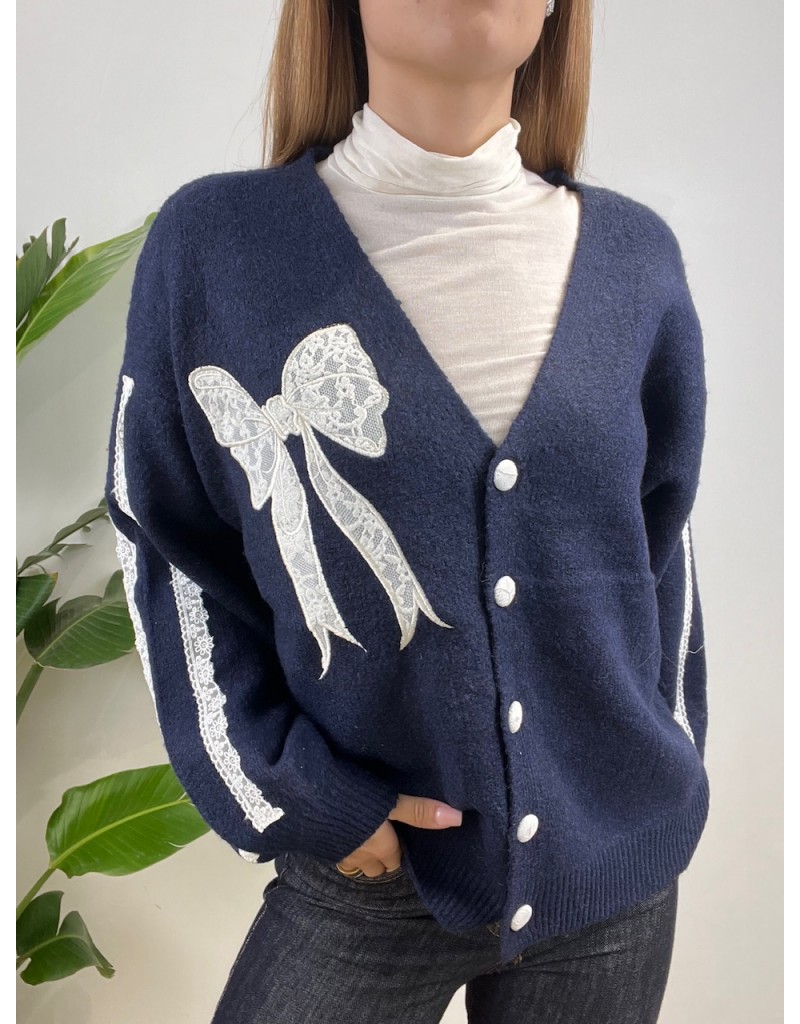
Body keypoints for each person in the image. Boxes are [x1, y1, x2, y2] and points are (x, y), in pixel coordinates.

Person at [104, 1, 710, 1021]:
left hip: (611, 878)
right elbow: (166, 539)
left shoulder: (636, 260)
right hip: (368, 878)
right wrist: (296, 793)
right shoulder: (218, 247)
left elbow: (663, 549)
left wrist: (667, 763)